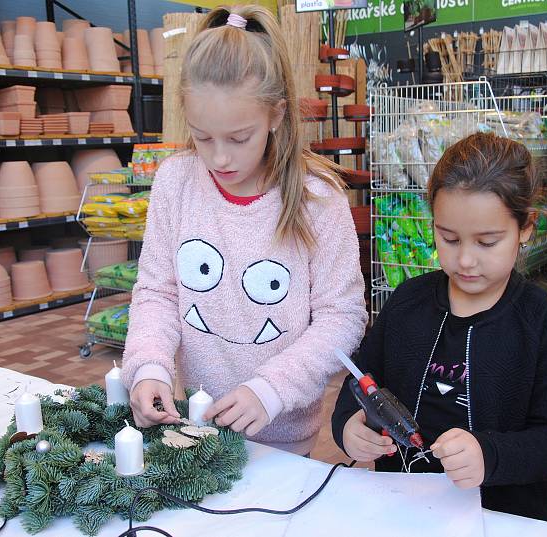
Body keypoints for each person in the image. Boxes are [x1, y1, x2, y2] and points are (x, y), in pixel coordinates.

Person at [121, 5, 368, 456]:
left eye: (238, 138)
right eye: (202, 136)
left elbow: (343, 317)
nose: (219, 158)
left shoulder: (318, 200)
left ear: (276, 115)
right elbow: (157, 292)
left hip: (285, 441)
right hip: (195, 428)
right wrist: (149, 366)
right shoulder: (176, 182)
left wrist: (271, 389)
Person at [331, 132, 547, 520]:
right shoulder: (407, 303)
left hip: (500, 518)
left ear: (526, 228)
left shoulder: (540, 322)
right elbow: (361, 382)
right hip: (400, 506)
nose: (465, 260)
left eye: (487, 242)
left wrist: (490, 455)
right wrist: (348, 427)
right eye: (449, 238)